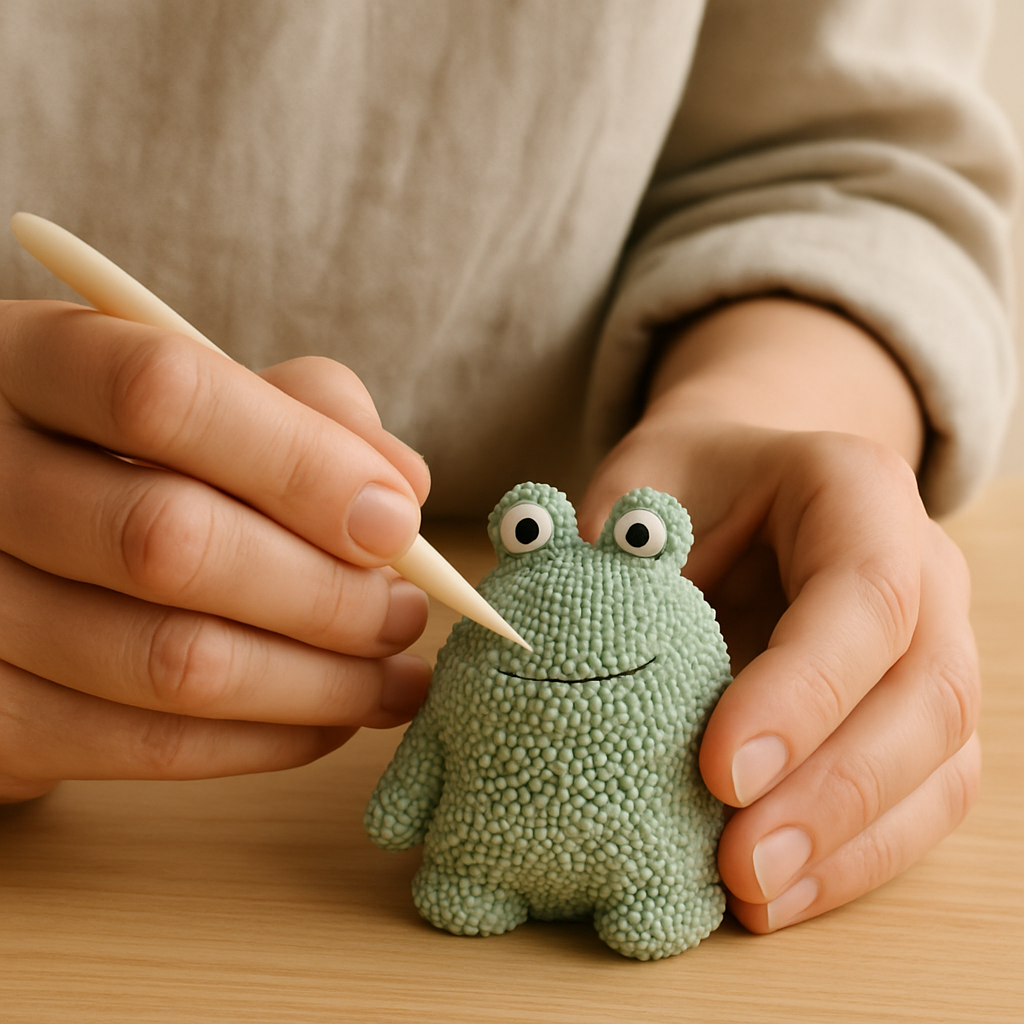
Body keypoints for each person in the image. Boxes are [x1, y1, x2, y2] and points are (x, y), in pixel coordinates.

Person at [0, 0, 1017, 937]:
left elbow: (844, 164)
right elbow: (413, 779)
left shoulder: (669, 626)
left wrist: (766, 417)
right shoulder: (468, 662)